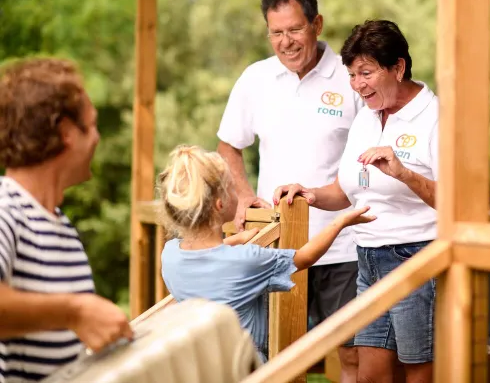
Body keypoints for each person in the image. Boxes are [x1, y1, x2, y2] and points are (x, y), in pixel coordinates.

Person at [273, 20, 438, 383]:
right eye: (351, 74)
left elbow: (455, 202)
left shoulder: (434, 116)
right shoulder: (365, 117)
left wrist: (404, 173)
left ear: (398, 67)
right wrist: (310, 194)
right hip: (367, 259)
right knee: (370, 376)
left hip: (416, 258)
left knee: (419, 374)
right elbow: (345, 191)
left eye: (366, 72)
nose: (358, 85)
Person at [216, 0, 364, 379]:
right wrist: (244, 196)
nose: (286, 42)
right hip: (275, 247)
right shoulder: (255, 78)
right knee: (271, 353)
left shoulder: (350, 77)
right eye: (276, 32)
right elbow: (229, 145)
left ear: (317, 24)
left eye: (295, 29)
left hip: (341, 245)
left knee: (352, 355)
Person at [158, 145, 375, 363]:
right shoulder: (247, 260)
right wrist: (341, 221)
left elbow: (209, 255)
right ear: (219, 204)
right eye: (232, 189)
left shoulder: (171, 255)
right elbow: (305, 257)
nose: (237, 194)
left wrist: (235, 240)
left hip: (204, 367)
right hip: (246, 368)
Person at [0, 58, 133, 382]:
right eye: (93, 124)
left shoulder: (59, 225)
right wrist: (75, 312)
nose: (98, 138)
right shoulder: (6, 207)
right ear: (67, 132)